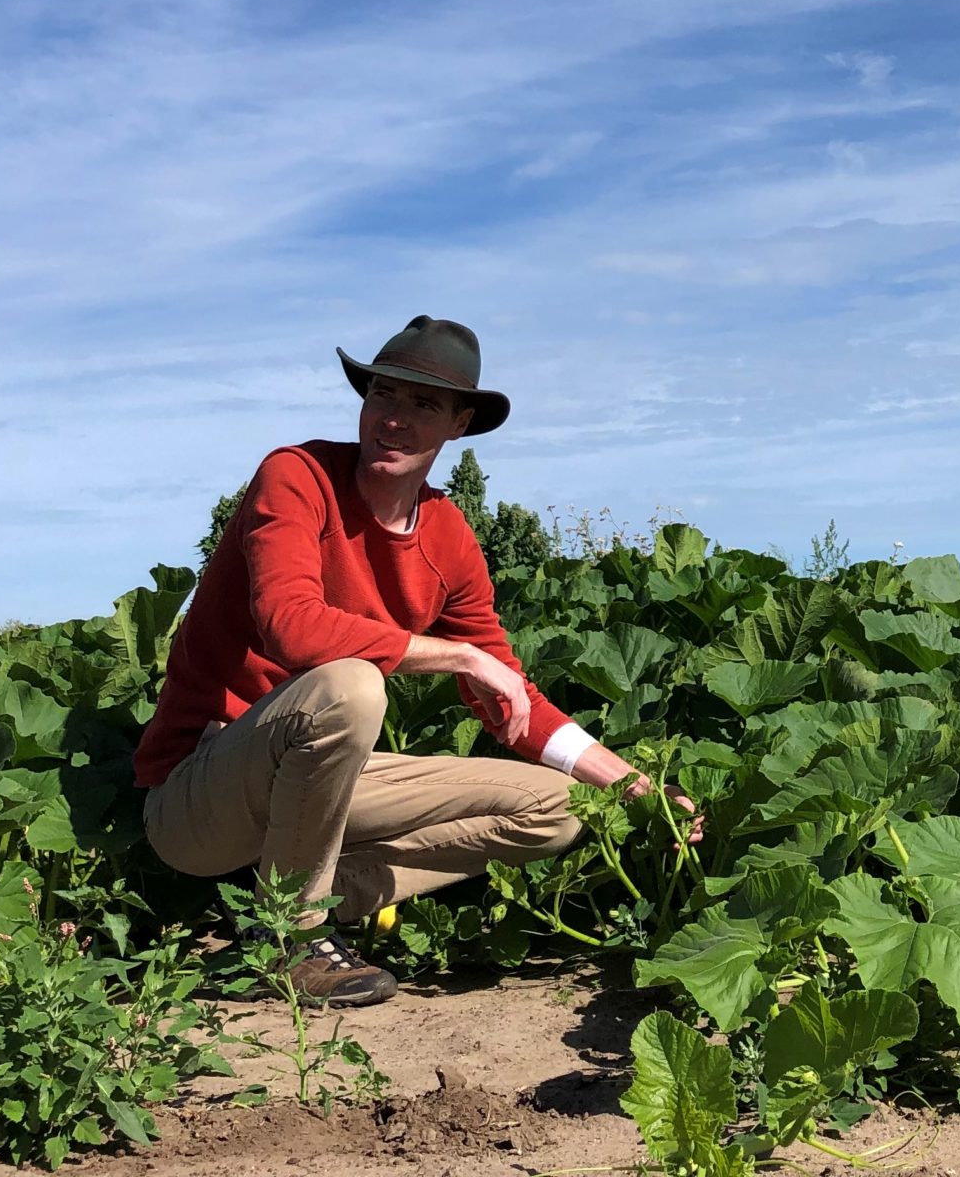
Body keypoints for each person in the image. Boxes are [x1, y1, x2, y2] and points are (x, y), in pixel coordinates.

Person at [134, 315, 695, 1007]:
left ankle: (306, 898)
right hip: (202, 794)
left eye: (422, 404)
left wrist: (635, 788)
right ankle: (293, 940)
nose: (394, 419)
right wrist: (452, 654)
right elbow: (290, 626)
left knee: (563, 810)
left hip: (313, 789)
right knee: (349, 685)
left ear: (459, 425)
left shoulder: (448, 535)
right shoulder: (297, 476)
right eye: (383, 396)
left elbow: (509, 701)